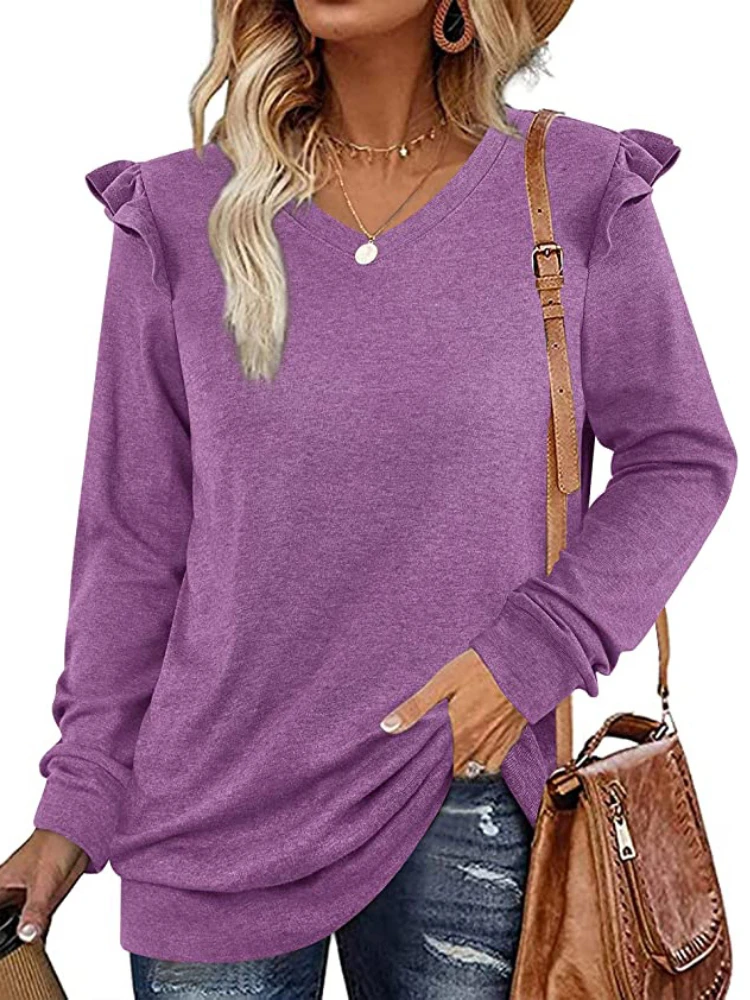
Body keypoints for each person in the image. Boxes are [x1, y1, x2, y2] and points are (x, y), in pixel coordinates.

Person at [0, 0, 738, 996]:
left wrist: (532, 654)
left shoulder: (572, 187)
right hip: (210, 818)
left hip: (464, 786)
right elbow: (134, 544)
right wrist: (75, 808)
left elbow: (681, 455)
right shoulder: (178, 212)